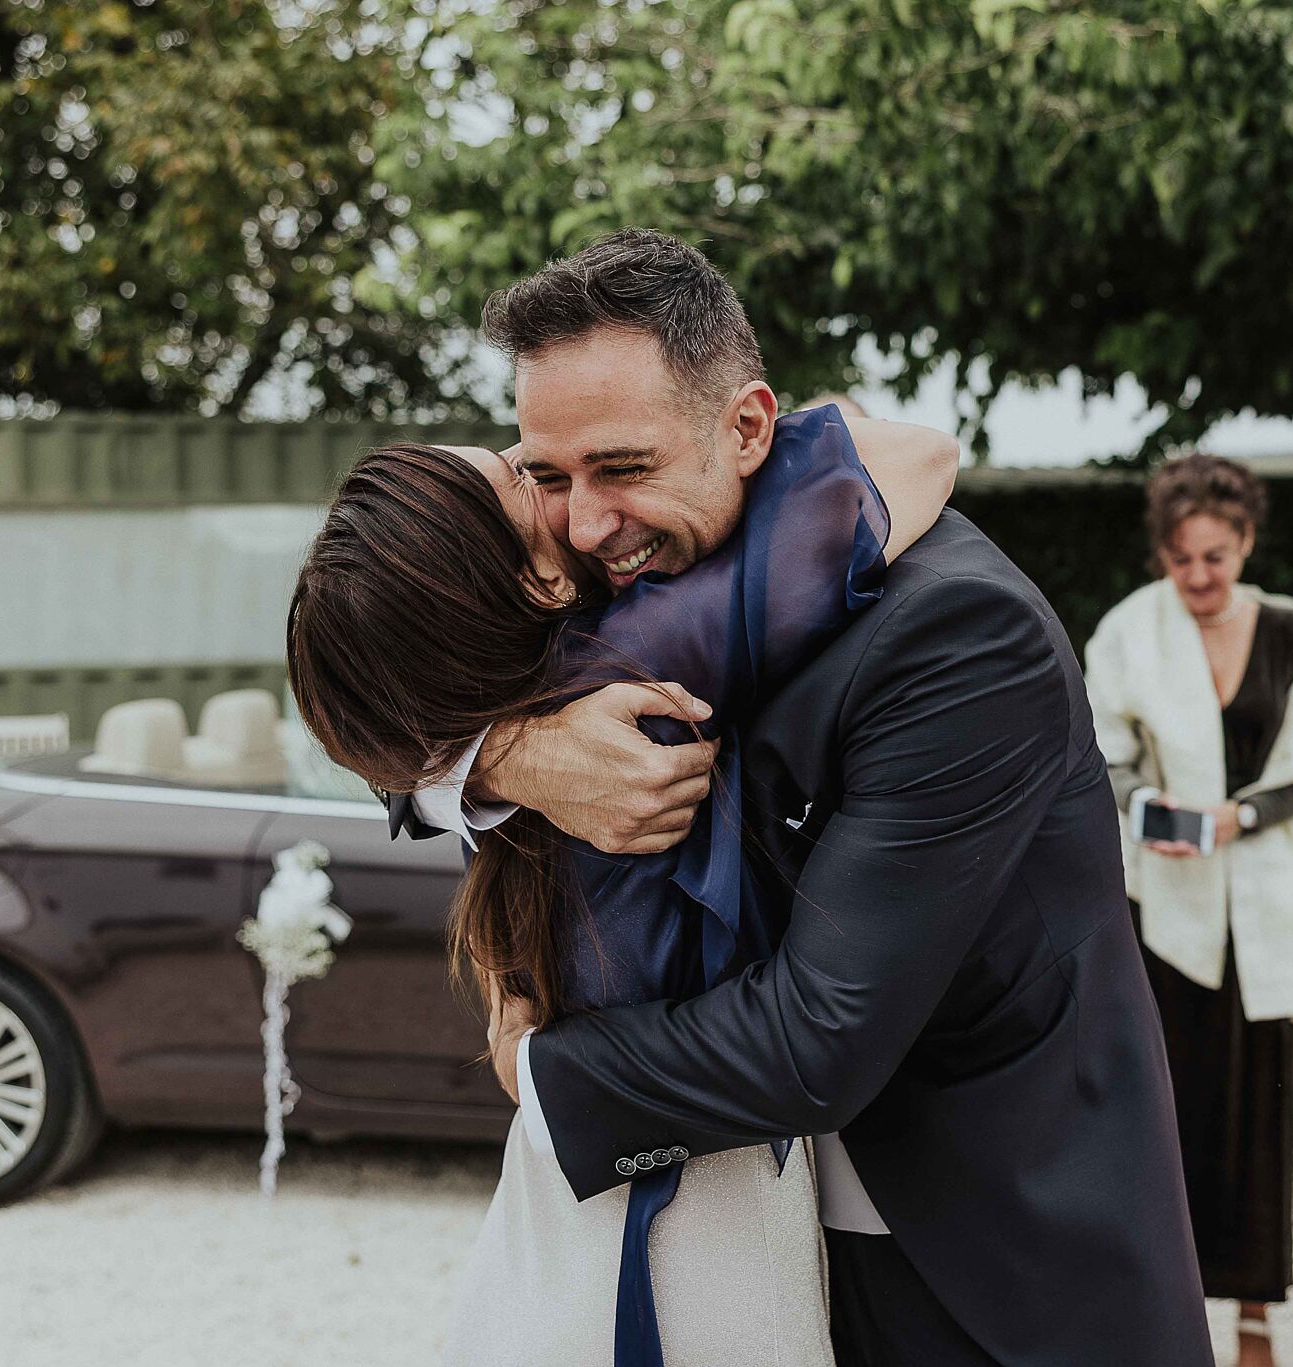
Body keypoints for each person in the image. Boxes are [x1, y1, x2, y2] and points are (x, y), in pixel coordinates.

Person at [397, 228, 1212, 1366]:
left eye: (622, 468)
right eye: (549, 473)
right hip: (752, 1249)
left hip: (979, 1258)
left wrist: (542, 1069)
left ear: (746, 425)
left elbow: (817, 1037)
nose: (582, 524)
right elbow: (381, 686)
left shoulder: (954, 633)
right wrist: (503, 757)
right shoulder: (621, 573)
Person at [289, 403, 955, 1365]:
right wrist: (729, 435)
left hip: (556, 1196)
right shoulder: (649, 653)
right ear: (536, 575)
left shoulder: (476, 697)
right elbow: (919, 451)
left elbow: (370, 714)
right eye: (522, 481)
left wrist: (490, 755)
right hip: (687, 1209)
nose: (534, 462)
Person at [1083, 454, 1293, 1367]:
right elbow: (1104, 751)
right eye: (1183, 558)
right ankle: (1164, 1311)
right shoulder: (1130, 632)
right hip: (1166, 906)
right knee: (1165, 1114)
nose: (1201, 577)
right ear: (1162, 552)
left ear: (1245, 543)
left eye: (1218, 556)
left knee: (1260, 1118)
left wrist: (1238, 817)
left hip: (1269, 904)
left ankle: (1254, 1316)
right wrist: (1145, 811)